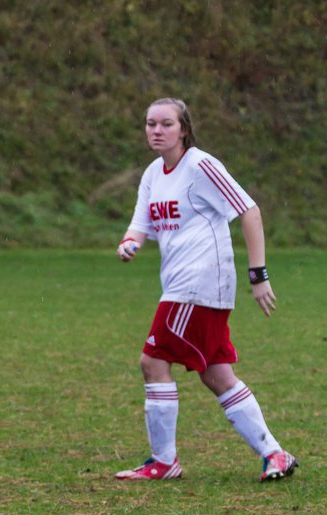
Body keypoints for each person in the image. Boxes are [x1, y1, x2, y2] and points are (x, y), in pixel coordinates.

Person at [115, 97, 296, 483]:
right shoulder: (152, 174)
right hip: (182, 285)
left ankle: (164, 462)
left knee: (152, 362)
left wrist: (258, 274)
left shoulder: (201, 165)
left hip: (199, 284)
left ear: (184, 129)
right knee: (217, 375)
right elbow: (139, 224)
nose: (157, 131)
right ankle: (275, 454)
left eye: (166, 124)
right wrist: (129, 243)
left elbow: (249, 211)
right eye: (151, 124)